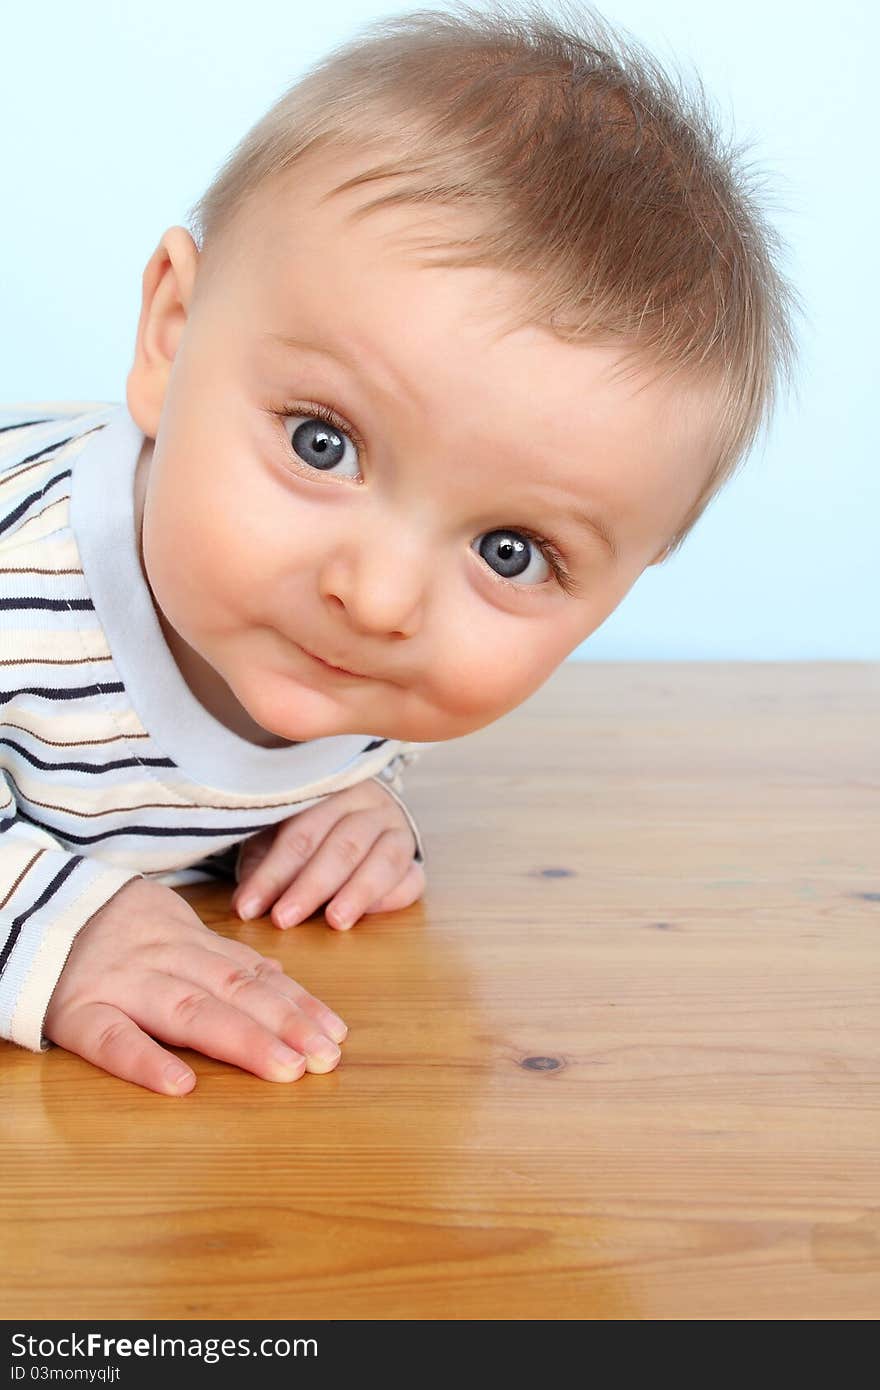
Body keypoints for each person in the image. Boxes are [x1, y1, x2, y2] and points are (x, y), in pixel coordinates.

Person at [0, 2, 800, 1095]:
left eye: (510, 553)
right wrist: (59, 929)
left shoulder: (340, 657)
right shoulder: (23, 580)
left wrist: (344, 800)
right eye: (322, 444)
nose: (380, 600)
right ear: (171, 339)